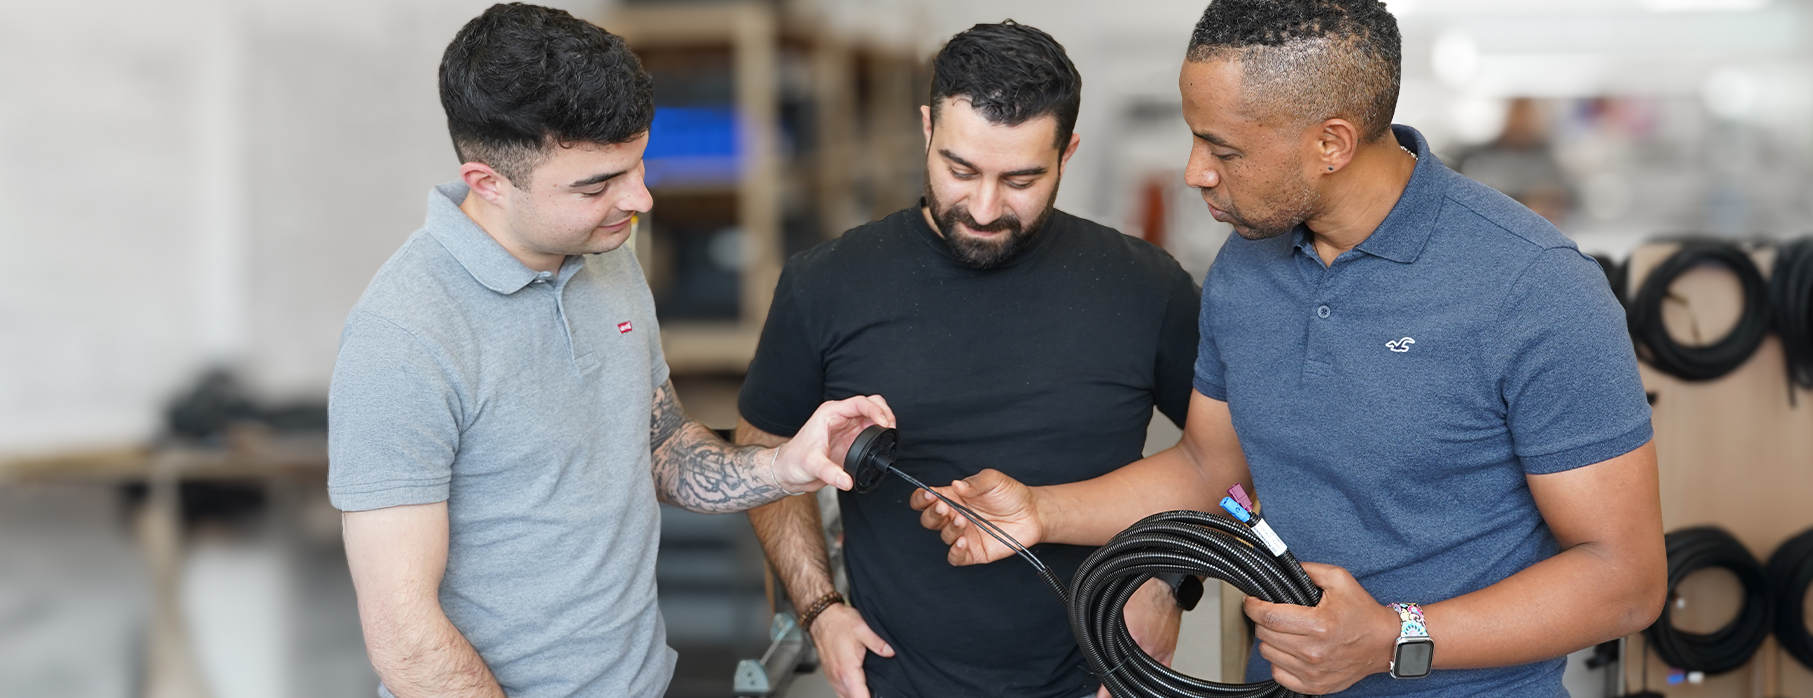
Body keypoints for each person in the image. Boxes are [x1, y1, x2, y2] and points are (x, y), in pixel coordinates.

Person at [913, 1, 1666, 696]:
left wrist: (1389, 637)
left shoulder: (1535, 287)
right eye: (1194, 135)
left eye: (1224, 149)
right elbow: (1210, 468)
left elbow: (1625, 579)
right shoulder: (1249, 263)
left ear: (1331, 143)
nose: (1194, 171)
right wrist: (1039, 512)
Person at [327, 5, 893, 697]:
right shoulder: (404, 337)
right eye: (596, 184)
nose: (641, 200)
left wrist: (786, 466)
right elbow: (407, 642)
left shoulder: (604, 254)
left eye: (636, 165)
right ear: (487, 183)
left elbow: (660, 446)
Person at [734, 20, 1202, 698]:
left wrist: (1169, 585)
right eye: (961, 170)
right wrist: (819, 609)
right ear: (927, 128)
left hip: (1097, 680)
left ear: (1067, 152)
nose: (984, 207)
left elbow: (1231, 462)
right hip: (893, 680)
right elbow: (764, 442)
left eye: (1021, 178)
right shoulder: (825, 284)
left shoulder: (1147, 289)